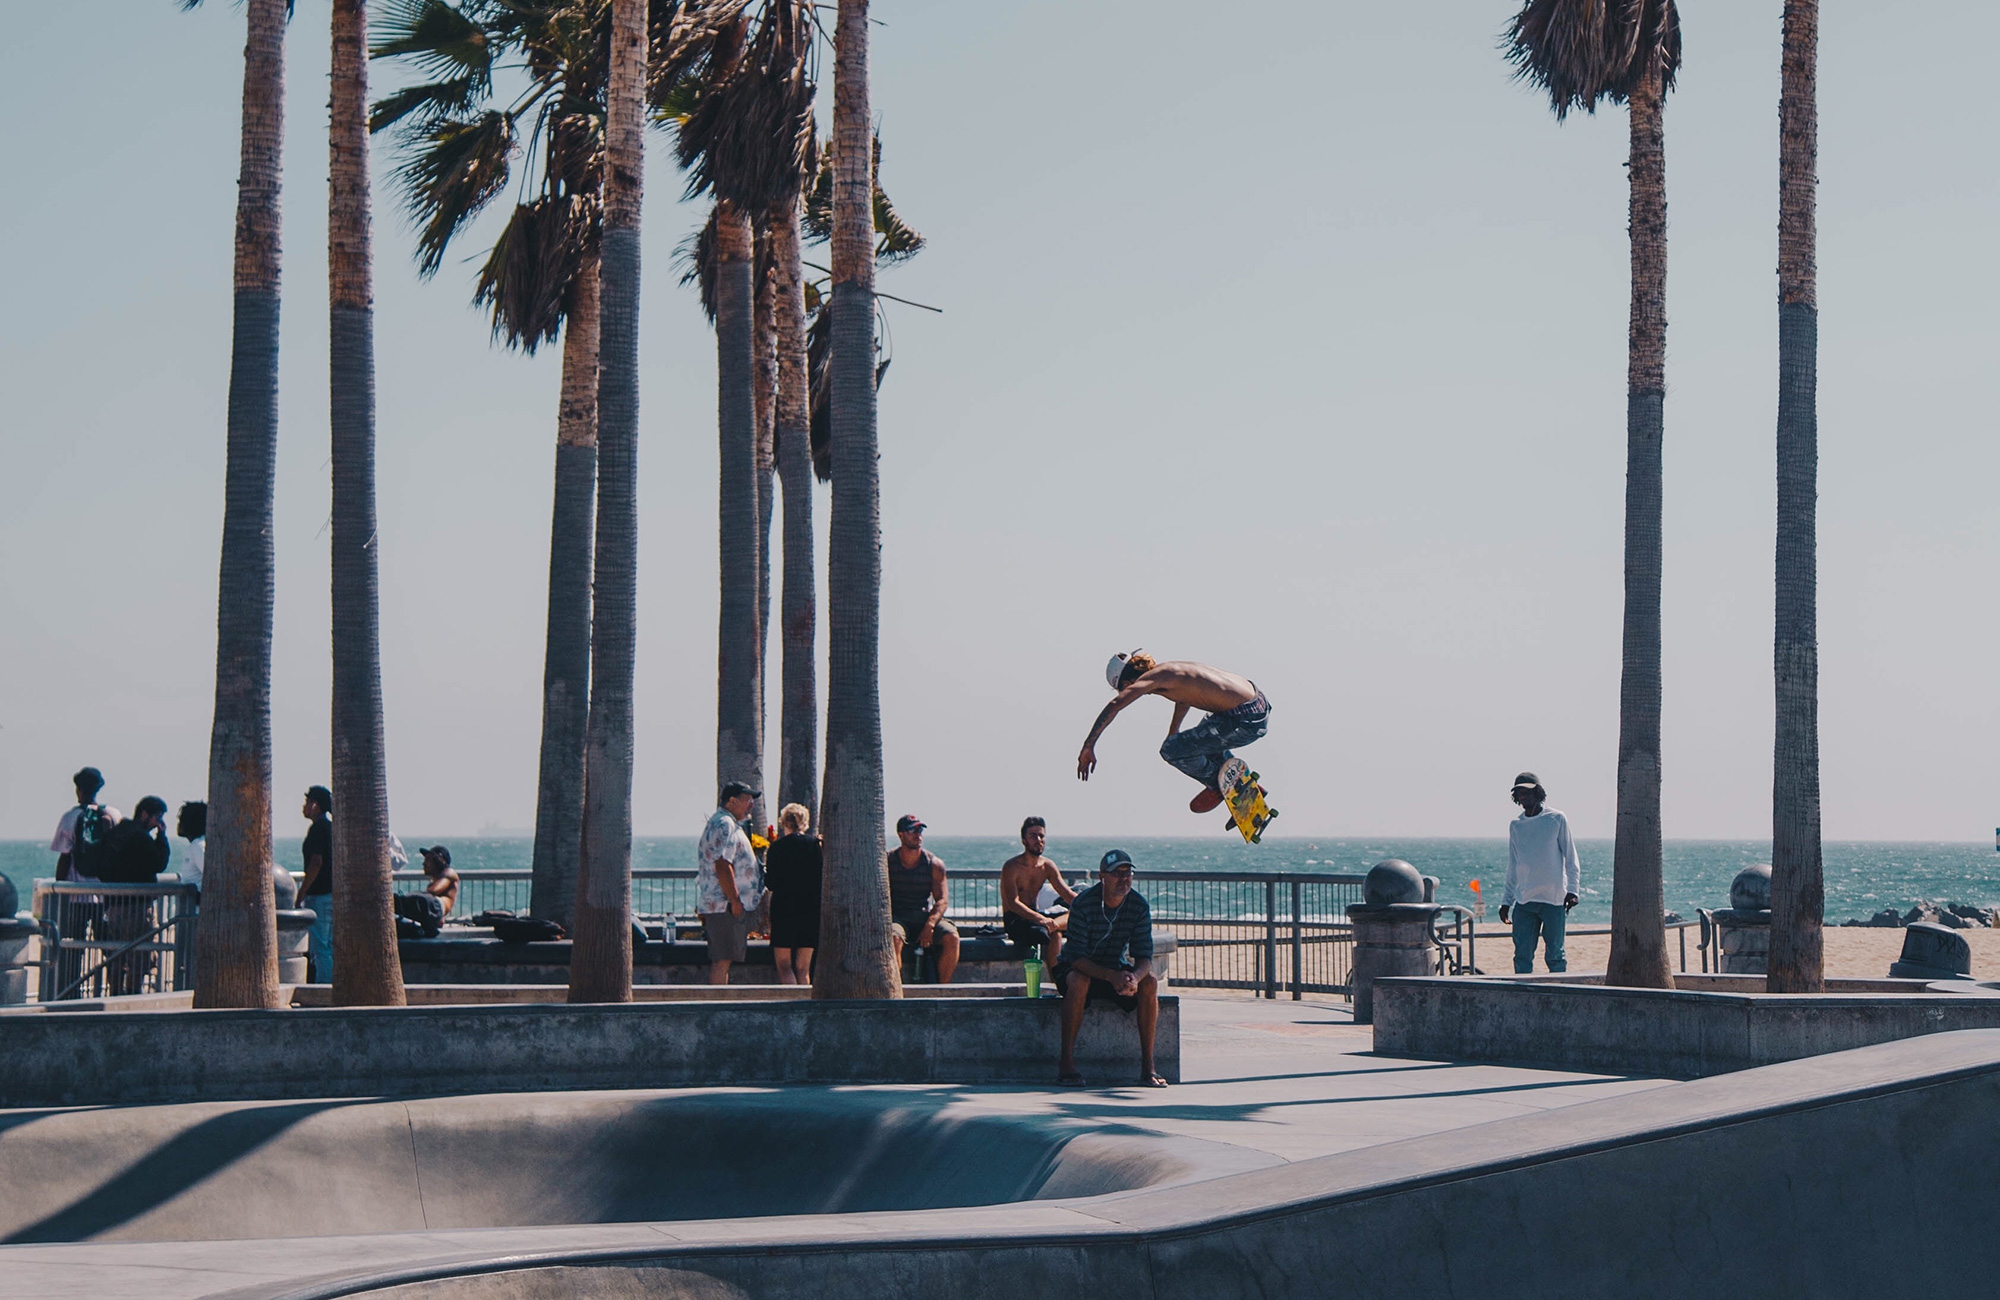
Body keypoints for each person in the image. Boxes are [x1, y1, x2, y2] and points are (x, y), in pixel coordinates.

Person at [1077, 650, 1271, 814]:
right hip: (1254, 705)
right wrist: (1173, 732)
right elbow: (1184, 698)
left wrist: (1088, 746)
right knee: (1191, 742)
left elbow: (1115, 705)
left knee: (1171, 750)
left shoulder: (1150, 679)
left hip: (1243, 719)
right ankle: (1242, 783)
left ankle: (1220, 786)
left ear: (1127, 684)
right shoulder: (1169, 671)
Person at [1056, 849, 1165, 1088]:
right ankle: (1067, 1063)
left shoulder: (1138, 905)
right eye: (1117, 874)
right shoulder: (1083, 904)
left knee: (1151, 982)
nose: (1124, 879)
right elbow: (1075, 957)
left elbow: (1145, 957)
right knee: (1078, 981)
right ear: (1102, 876)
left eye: (1128, 873)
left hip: (1114, 968)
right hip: (1077, 968)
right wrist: (1112, 976)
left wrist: (1134, 978)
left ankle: (1149, 1066)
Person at [1498, 772, 1580, 975]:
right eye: (1519, 792)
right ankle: (1524, 999)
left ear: (1538, 792)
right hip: (1524, 901)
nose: (1523, 795)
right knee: (1522, 956)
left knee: (1555, 956)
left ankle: (1560, 996)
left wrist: (1573, 890)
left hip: (1554, 900)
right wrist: (1506, 902)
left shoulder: (1556, 818)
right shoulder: (1516, 826)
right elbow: (1514, 866)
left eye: (1527, 791)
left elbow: (1570, 857)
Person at [48, 767, 119, 998]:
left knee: (73, 948)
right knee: (111, 948)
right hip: (106, 895)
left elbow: (65, 855)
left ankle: (70, 994)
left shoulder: (71, 818)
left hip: (78, 895)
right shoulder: (114, 815)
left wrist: (59, 890)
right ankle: (117, 992)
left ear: (78, 790)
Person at [99, 796, 171, 995]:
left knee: (116, 954)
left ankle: (114, 994)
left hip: (113, 904)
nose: (158, 822)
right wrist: (162, 837)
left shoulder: (116, 834)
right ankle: (131, 994)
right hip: (138, 905)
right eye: (157, 817)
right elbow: (159, 863)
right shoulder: (141, 838)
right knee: (140, 955)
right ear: (145, 814)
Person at [697, 781, 765, 985]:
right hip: (723, 904)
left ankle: (719, 1003)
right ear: (732, 801)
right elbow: (722, 864)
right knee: (722, 960)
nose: (751, 805)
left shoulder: (726, 822)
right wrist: (735, 900)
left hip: (723, 904)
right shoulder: (724, 824)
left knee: (724, 959)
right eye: (746, 800)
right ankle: (717, 1007)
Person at [887, 814, 959, 983]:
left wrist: (930, 925)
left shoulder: (934, 864)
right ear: (901, 834)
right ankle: (896, 990)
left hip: (923, 916)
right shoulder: (888, 861)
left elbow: (942, 899)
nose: (918, 835)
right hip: (897, 917)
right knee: (893, 938)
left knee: (952, 937)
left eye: (920, 830)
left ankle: (942, 990)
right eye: (912, 830)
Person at [1000, 816, 1075, 973]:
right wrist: (1040, 918)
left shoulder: (1047, 866)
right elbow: (1013, 903)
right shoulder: (1012, 867)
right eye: (1033, 836)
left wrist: (1093, 906)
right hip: (1016, 920)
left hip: (1037, 917)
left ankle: (1054, 924)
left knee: (1076, 916)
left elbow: (1066, 894)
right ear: (1024, 840)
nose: (1038, 840)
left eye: (1041, 836)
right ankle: (1058, 982)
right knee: (1054, 935)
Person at [763, 803, 822, 985]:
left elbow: (770, 883)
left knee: (784, 965)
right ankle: (805, 1007)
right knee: (803, 968)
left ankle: (792, 1005)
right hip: (811, 910)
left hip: (784, 910)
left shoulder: (776, 848)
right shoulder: (816, 846)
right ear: (805, 822)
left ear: (783, 822)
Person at [299, 785, 335, 983]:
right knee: (329, 945)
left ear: (315, 805)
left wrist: (302, 892)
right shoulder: (330, 828)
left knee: (320, 947)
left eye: (307, 802)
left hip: (319, 895)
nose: (303, 807)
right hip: (331, 894)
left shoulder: (318, 829)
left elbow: (316, 862)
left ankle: (324, 987)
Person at [175, 801, 206, 897]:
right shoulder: (195, 845)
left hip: (196, 910)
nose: (178, 824)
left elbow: (212, 878)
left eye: (181, 820)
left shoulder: (198, 846)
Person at [418, 845, 460, 916]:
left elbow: (433, 891)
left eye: (428, 860)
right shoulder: (434, 881)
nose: (424, 863)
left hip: (438, 908)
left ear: (438, 861)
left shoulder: (449, 872)